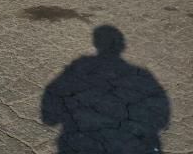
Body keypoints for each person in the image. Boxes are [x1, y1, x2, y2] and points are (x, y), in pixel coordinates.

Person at [41, 25, 170, 153]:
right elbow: (162, 117)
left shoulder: (80, 66)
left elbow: (52, 97)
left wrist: (52, 117)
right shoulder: (142, 74)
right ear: (122, 46)